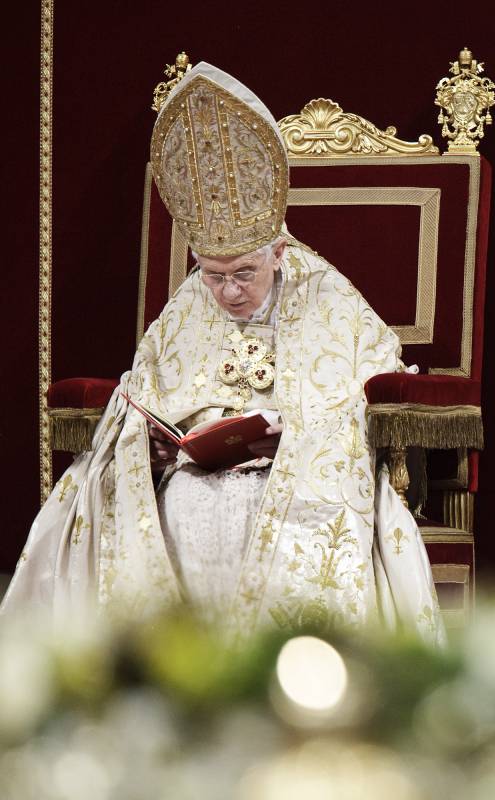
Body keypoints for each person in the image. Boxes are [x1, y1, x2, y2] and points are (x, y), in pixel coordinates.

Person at [1, 63, 444, 643]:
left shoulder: (326, 294)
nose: (228, 292)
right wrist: (155, 448)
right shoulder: (190, 302)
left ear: (278, 252)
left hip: (294, 480)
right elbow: (139, 397)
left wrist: (288, 435)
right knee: (174, 509)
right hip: (191, 478)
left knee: (279, 520)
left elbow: (369, 383)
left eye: (244, 273)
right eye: (213, 276)